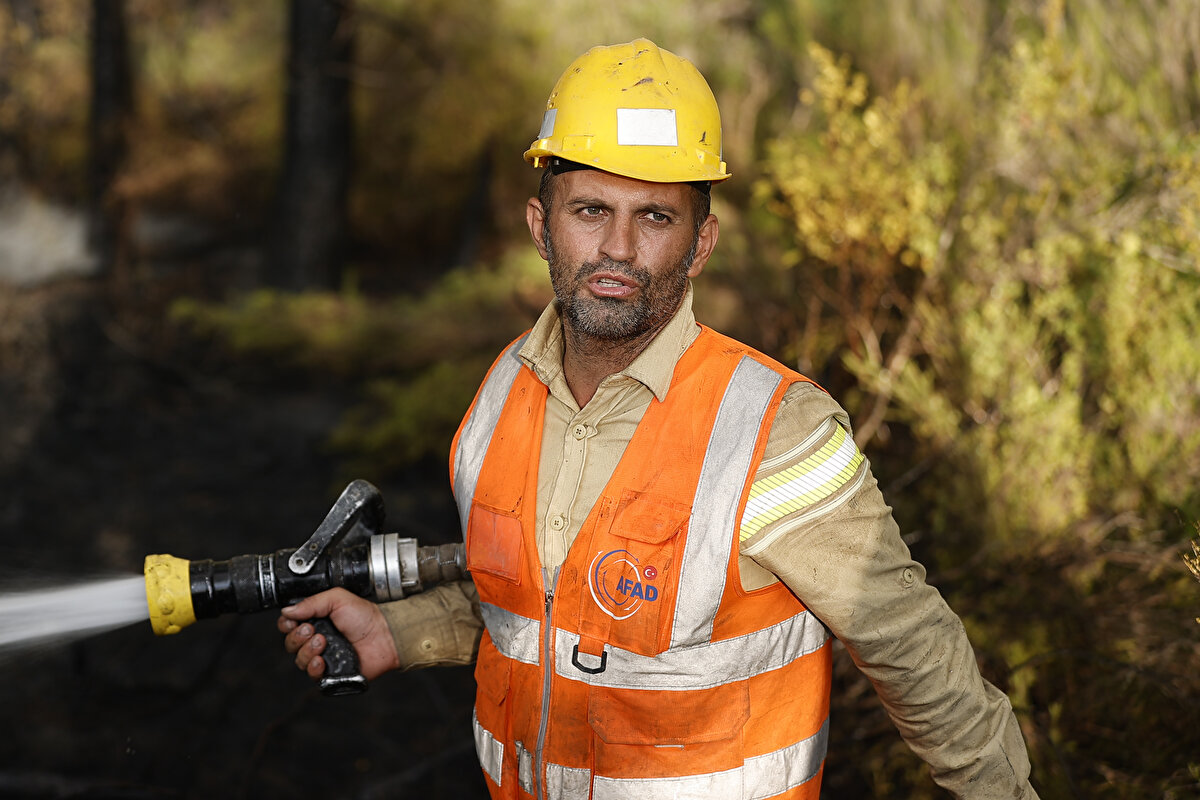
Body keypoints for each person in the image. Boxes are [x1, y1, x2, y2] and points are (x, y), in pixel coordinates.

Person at [278, 39, 1040, 800]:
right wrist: (399, 634)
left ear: (701, 243)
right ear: (541, 226)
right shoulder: (500, 394)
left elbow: (920, 658)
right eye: (590, 210)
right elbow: (532, 607)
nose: (617, 247)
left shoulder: (775, 432)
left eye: (654, 216)